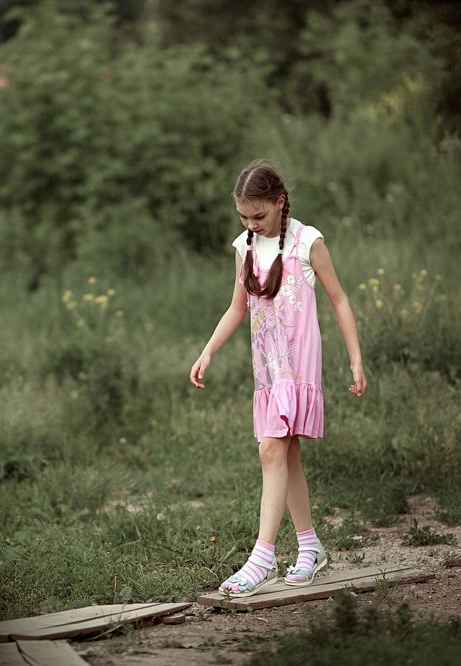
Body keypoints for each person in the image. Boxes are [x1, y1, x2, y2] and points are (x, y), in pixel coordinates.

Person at [189, 159, 367, 597]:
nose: (251, 224)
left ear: (280, 201)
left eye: (259, 215)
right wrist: (208, 350)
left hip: (298, 365)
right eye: (244, 217)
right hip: (267, 369)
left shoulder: (308, 242)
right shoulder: (245, 246)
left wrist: (355, 360)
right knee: (286, 455)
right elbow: (237, 308)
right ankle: (310, 546)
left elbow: (340, 300)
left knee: (271, 449)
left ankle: (262, 558)